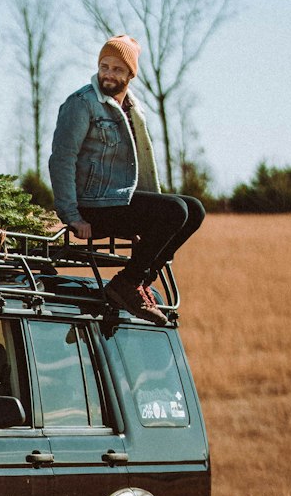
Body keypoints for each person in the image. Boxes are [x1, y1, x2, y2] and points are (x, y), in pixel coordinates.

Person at [48, 35, 205, 324]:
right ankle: (127, 283)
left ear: (131, 74)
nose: (108, 74)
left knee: (194, 209)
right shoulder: (82, 104)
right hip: (92, 205)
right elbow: (62, 159)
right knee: (176, 211)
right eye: (104, 66)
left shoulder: (133, 110)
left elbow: (138, 168)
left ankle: (140, 281)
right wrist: (71, 215)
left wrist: (147, 220)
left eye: (117, 69)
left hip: (118, 200)